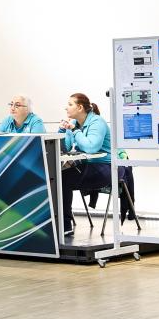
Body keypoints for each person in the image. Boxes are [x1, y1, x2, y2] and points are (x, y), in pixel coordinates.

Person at [58, 92, 129, 236]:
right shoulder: (74, 124)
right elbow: (65, 148)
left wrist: (74, 131)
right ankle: (58, 223)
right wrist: (62, 130)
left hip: (109, 167)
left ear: (80, 108)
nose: (66, 107)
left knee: (63, 179)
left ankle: (65, 225)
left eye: (70, 104)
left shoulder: (97, 122)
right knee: (56, 177)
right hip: (89, 166)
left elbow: (91, 147)